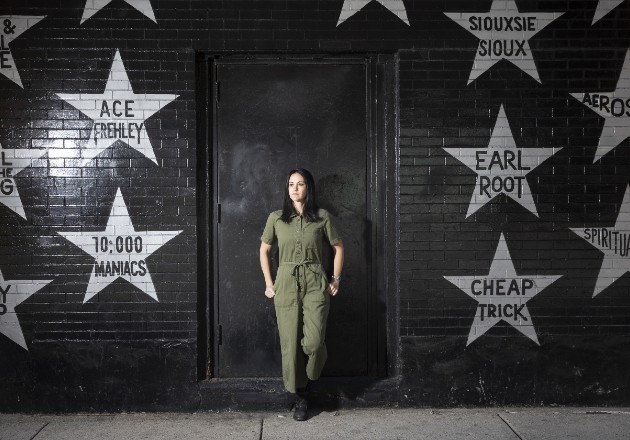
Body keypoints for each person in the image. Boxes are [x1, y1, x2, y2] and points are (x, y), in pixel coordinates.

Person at [259, 168, 344, 421]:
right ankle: (301, 397)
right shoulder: (276, 218)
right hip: (285, 281)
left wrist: (335, 279)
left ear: (308, 188)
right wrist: (269, 282)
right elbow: (264, 251)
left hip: (315, 280)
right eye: (291, 184)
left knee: (313, 343)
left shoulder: (322, 217)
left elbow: (338, 248)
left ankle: (310, 376)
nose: (295, 188)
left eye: (300, 184)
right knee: (290, 342)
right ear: (287, 189)